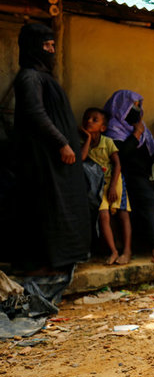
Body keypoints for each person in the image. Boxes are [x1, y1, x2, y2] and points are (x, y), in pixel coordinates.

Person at [10, 23, 90, 273]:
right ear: (34, 48)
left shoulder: (43, 77)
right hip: (45, 158)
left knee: (65, 204)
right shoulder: (29, 77)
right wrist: (62, 143)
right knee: (48, 206)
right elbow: (36, 114)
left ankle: (64, 259)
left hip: (59, 160)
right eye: (47, 46)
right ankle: (46, 262)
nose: (52, 50)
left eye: (53, 45)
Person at [104, 90, 154, 268]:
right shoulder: (113, 129)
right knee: (149, 201)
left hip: (145, 174)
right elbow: (121, 156)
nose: (137, 110)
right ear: (121, 107)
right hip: (124, 176)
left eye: (139, 106)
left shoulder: (141, 128)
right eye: (133, 106)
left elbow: (151, 154)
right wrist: (136, 135)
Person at [80, 107, 132, 265]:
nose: (89, 121)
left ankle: (127, 250)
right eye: (87, 118)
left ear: (103, 128)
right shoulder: (84, 144)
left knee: (123, 214)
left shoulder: (107, 142)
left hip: (115, 182)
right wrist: (88, 138)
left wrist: (112, 187)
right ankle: (114, 251)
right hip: (98, 186)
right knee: (103, 216)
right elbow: (81, 159)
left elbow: (117, 165)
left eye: (94, 120)